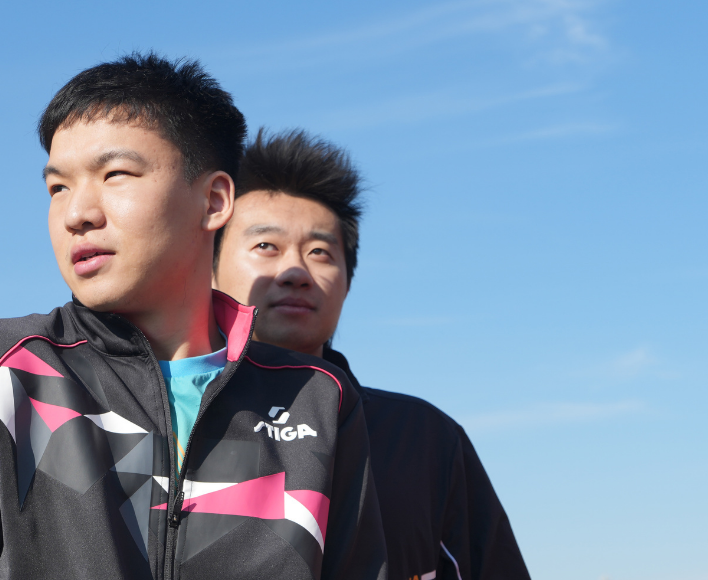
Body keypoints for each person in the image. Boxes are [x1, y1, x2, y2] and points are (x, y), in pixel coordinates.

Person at [0, 55, 386, 580]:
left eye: (115, 174)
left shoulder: (320, 399)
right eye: (58, 188)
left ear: (214, 200)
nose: (77, 214)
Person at [213, 129, 531, 580]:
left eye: (320, 252)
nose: (296, 271)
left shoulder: (423, 439)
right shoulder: (163, 424)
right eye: (266, 246)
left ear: (347, 281)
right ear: (207, 269)